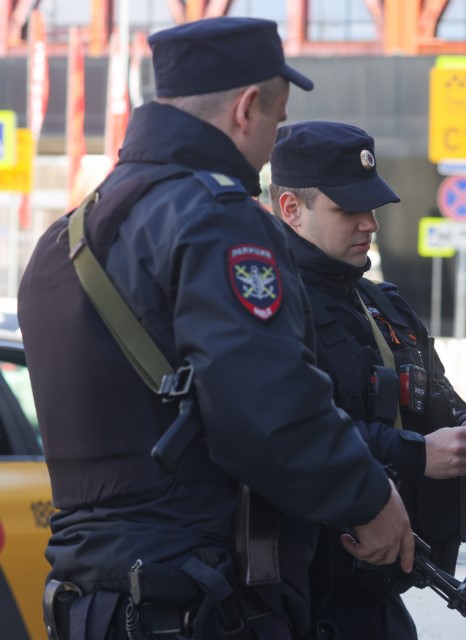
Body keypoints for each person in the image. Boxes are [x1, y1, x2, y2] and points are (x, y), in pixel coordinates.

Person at [18, 18, 413, 640]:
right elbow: (270, 407)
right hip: (196, 596)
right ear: (247, 107)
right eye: (278, 119)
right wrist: (370, 499)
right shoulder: (217, 219)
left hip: (88, 596)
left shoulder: (65, 238)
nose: (274, 140)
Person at [267, 120, 466, 639]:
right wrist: (418, 454)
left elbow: (437, 404)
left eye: (372, 207)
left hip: (379, 593)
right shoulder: (269, 309)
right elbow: (294, 436)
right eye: (348, 210)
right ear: (291, 209)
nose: (369, 224)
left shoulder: (381, 303)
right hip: (304, 593)